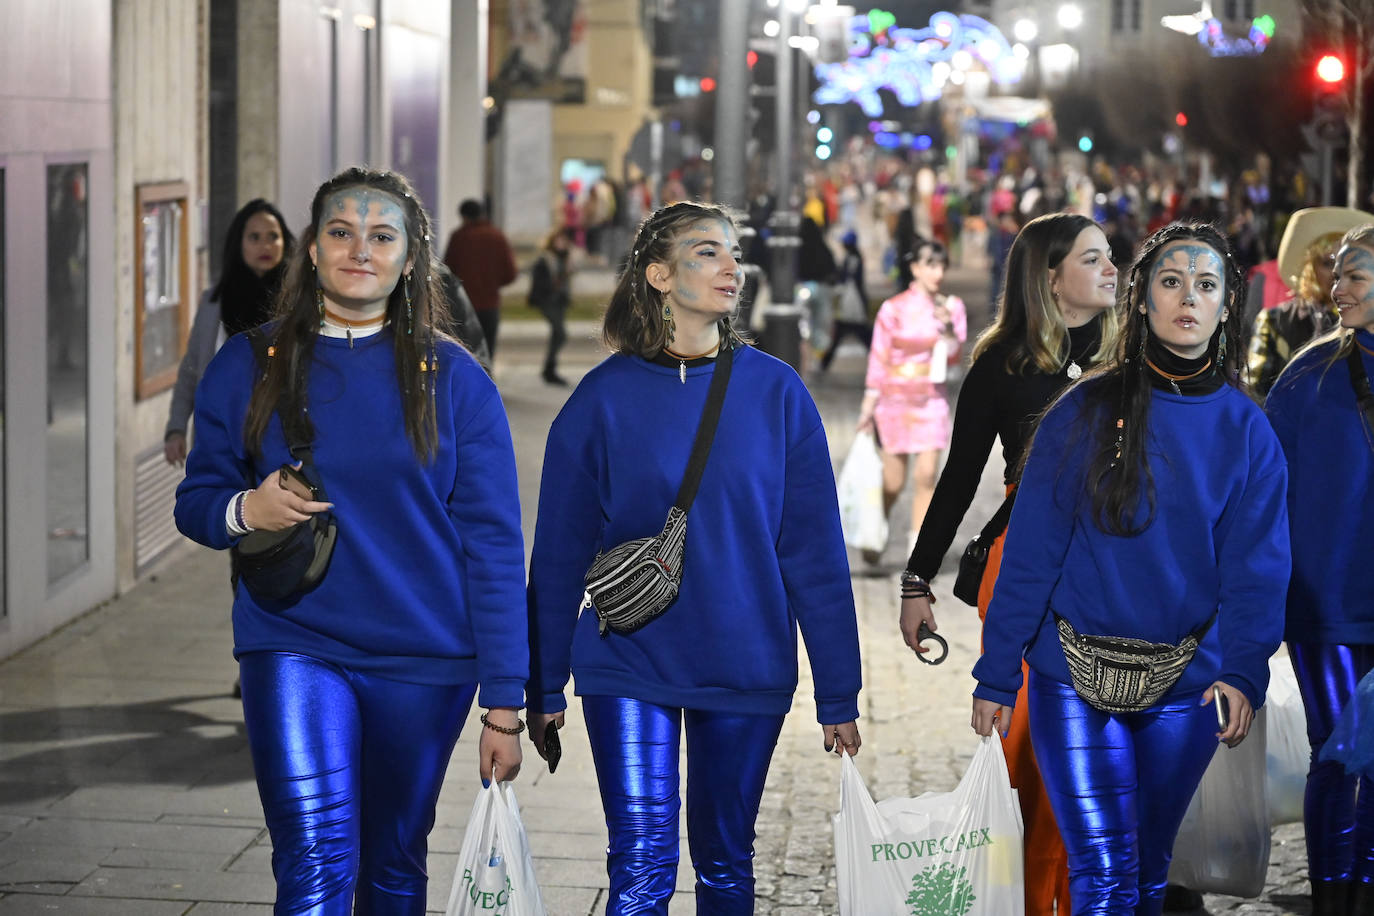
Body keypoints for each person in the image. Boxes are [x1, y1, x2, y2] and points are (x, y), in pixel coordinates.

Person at [174, 167, 528, 912]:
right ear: (311, 249)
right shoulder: (247, 363)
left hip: (426, 659)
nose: (358, 249)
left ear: (409, 258)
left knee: (393, 862)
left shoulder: (457, 381)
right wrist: (248, 510)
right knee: (313, 852)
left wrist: (504, 701)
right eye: (340, 232)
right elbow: (197, 504)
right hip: (294, 643)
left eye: (381, 235)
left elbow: (494, 547)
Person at [525, 202, 863, 914]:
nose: (732, 267)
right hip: (630, 661)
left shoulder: (776, 393)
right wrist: (544, 681)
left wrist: (838, 690)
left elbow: (815, 555)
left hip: (745, 664)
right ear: (658, 274)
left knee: (724, 865)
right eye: (708, 252)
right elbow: (557, 554)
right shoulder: (602, 400)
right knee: (642, 864)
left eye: (734, 254)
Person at [969, 222, 1290, 914]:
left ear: (1226, 305)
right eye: (1172, 281)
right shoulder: (1081, 412)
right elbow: (1031, 554)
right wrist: (996, 674)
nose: (1189, 298)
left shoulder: (1247, 431)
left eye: (1206, 285)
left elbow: (1257, 570)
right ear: (1142, 299)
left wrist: (1243, 670)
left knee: (1146, 873)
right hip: (1070, 677)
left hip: (1187, 689)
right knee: (1102, 871)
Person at [898, 212, 1118, 916]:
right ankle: (1028, 900)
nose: (1113, 269)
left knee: (1103, 764)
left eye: (1112, 256)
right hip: (1023, 575)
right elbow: (960, 477)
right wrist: (916, 579)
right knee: (1032, 760)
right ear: (1050, 279)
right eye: (1094, 258)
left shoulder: (1136, 354)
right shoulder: (1003, 362)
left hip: (1118, 579)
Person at [1266, 222, 1374, 916]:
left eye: (1355, 275)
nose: (1338, 288)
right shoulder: (1307, 374)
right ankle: (1333, 898)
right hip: (1325, 605)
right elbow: (1262, 496)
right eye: (1337, 274)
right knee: (1337, 753)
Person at [857, 239, 966, 563]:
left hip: (931, 401)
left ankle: (916, 551)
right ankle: (876, 530)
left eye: (942, 265)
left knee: (927, 475)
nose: (938, 272)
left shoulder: (951, 307)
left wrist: (947, 327)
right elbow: (879, 356)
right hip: (894, 402)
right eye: (931, 264)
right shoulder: (893, 309)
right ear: (915, 268)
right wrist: (868, 405)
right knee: (893, 482)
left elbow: (954, 357)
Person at [164, 199, 294, 465]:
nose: (265, 246)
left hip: (281, 440)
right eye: (254, 237)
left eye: (273, 237)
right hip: (221, 435)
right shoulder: (214, 302)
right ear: (239, 243)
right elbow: (192, 368)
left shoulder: (297, 304)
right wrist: (176, 428)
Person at [1248, 206, 1374, 396]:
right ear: (1310, 267)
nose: (1336, 274)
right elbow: (1254, 393)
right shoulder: (1275, 321)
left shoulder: (1365, 320)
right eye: (1327, 263)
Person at [442, 198, 517, 357]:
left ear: (464, 216)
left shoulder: (459, 237)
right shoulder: (497, 237)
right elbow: (511, 273)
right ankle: (487, 380)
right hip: (490, 304)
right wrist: (492, 284)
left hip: (463, 305)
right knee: (487, 353)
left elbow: (447, 273)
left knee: (465, 352)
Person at [819, 229, 872, 372]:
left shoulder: (853, 259)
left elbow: (849, 280)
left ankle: (824, 363)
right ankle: (824, 363)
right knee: (859, 335)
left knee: (860, 335)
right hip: (852, 305)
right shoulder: (853, 257)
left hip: (851, 305)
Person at [528, 226, 573, 385]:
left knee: (557, 334)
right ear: (552, 242)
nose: (562, 244)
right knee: (560, 333)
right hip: (547, 300)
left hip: (559, 300)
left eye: (564, 241)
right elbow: (542, 282)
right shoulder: (545, 259)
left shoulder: (565, 258)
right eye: (559, 240)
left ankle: (550, 369)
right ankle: (549, 368)